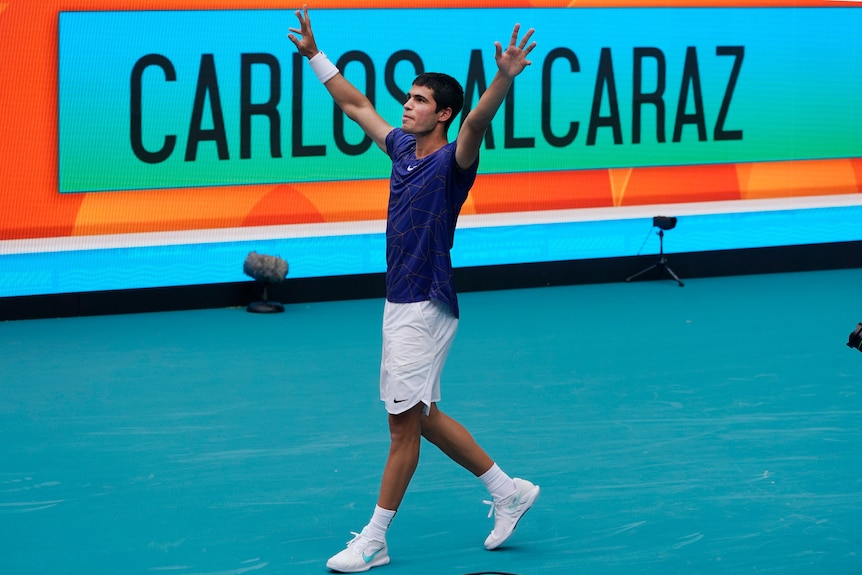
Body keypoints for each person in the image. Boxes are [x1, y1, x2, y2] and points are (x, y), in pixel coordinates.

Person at [288, 6, 540, 573]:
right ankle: (509, 491)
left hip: (426, 302)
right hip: (398, 299)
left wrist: (503, 77)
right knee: (420, 416)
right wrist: (313, 55)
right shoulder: (401, 149)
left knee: (402, 426)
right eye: (408, 97)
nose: (407, 105)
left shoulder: (455, 160)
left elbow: (477, 124)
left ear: (443, 113)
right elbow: (356, 105)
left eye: (420, 100)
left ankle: (374, 540)